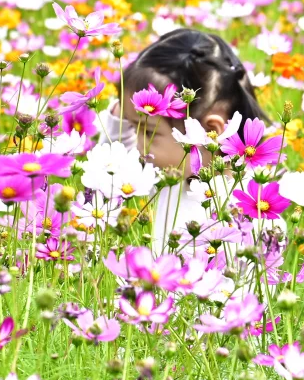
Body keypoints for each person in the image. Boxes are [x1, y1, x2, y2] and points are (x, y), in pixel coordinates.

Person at [100, 27, 264, 252]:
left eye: (148, 132)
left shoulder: (251, 208)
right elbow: (109, 172)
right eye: (132, 127)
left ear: (210, 132)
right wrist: (119, 117)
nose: (138, 146)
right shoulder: (168, 180)